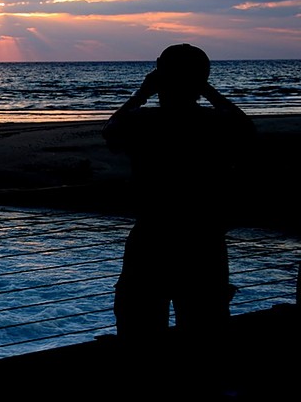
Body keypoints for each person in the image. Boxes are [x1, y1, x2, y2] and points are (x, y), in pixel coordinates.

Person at [102, 44, 255, 349]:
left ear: (159, 74)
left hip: (152, 236)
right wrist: (206, 89)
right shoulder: (213, 124)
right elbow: (246, 129)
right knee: (206, 324)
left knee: (140, 326)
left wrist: (142, 93)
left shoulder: (145, 123)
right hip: (203, 238)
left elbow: (111, 130)